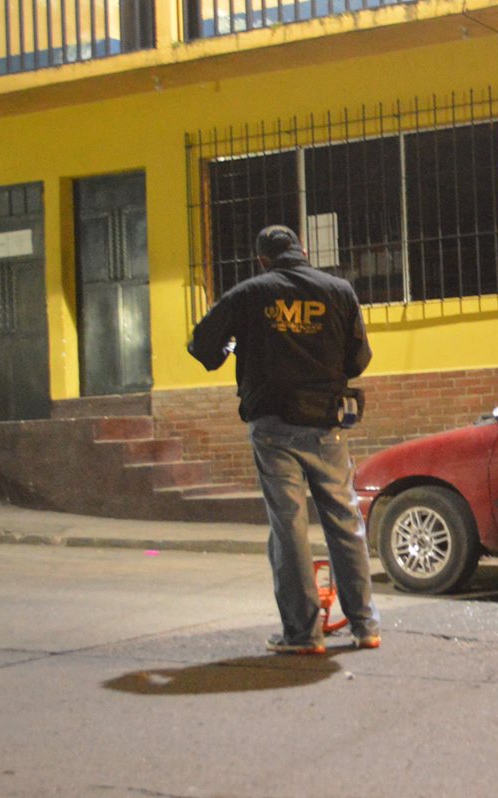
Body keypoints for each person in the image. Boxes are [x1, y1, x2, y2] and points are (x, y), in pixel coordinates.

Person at [188, 225, 381, 655]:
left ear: (262, 260)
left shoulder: (250, 293)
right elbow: (359, 358)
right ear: (303, 251)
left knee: (289, 526)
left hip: (273, 424)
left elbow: (203, 346)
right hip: (327, 423)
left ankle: (303, 634)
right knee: (344, 520)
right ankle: (365, 626)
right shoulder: (338, 291)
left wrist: (231, 348)